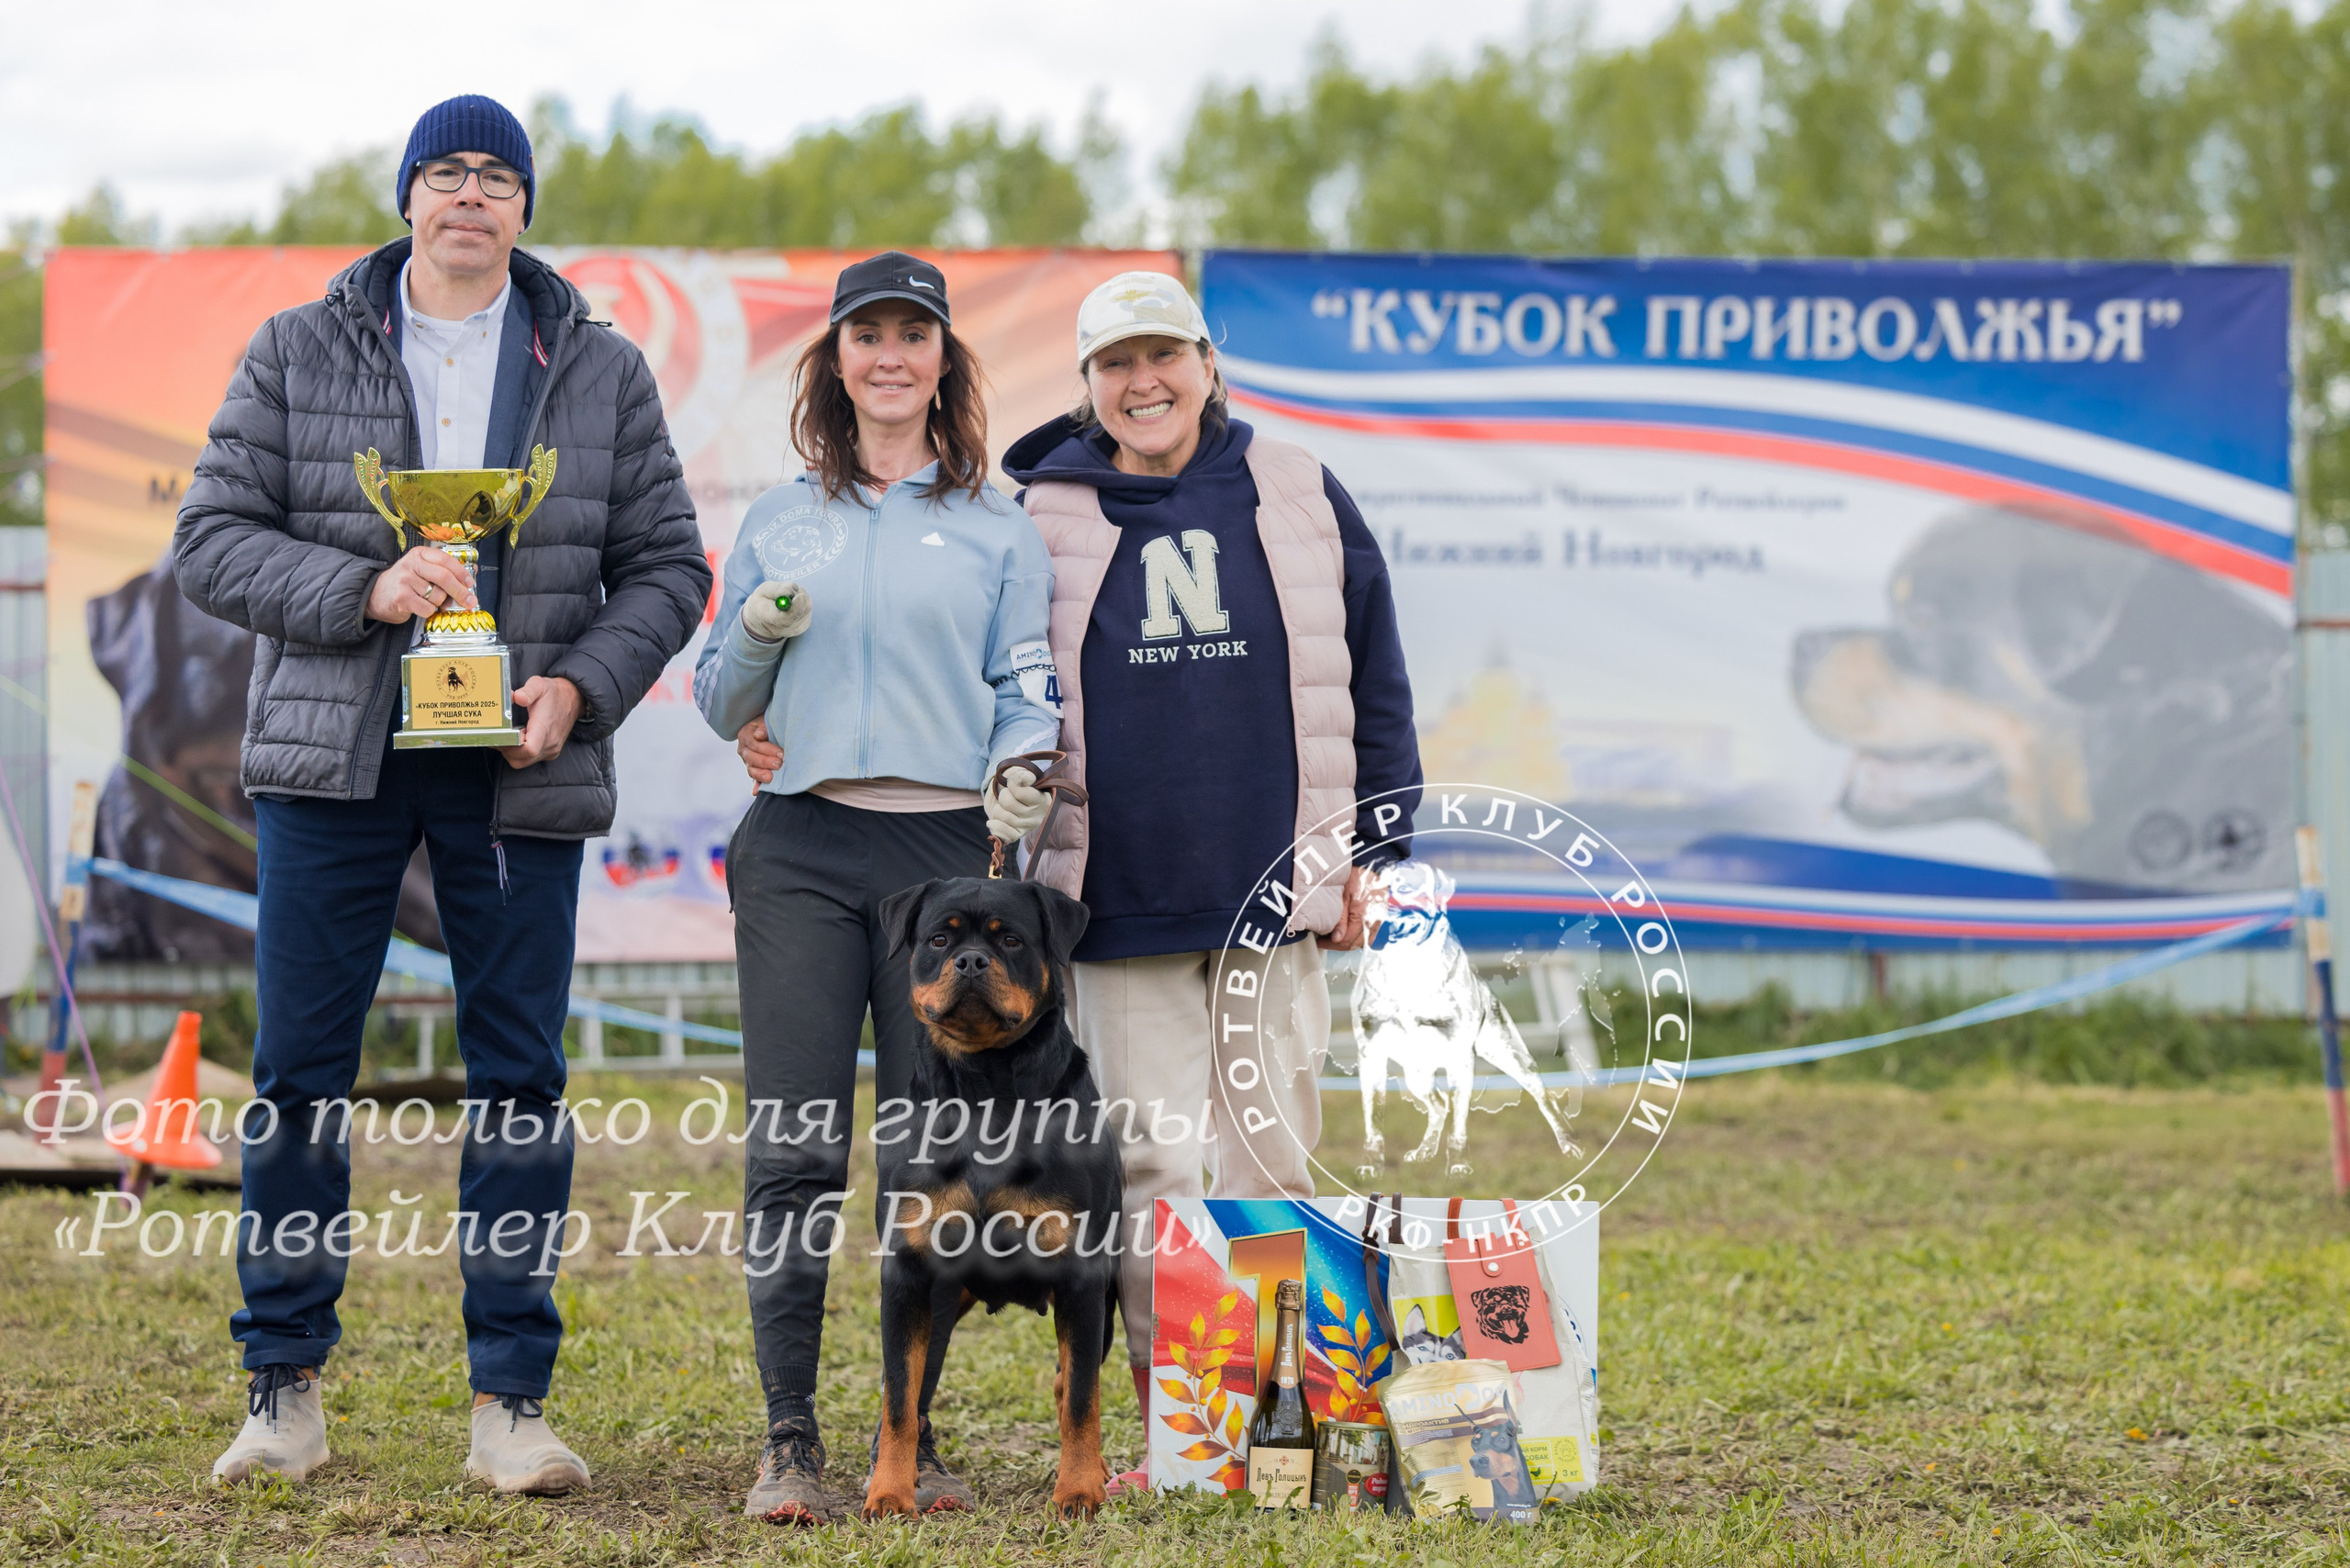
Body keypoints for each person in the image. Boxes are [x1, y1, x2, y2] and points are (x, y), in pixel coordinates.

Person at [734, 270, 1423, 1492]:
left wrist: (1371, 845)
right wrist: (770, 702)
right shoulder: (1041, 508)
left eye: (1165, 356)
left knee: (1274, 1162)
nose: (1143, 382)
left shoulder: (1301, 487)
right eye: (1116, 364)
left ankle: (1286, 1418)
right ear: (1089, 385)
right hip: (1117, 893)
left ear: (1209, 362)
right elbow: (1000, 678)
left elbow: (1369, 667)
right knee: (1151, 1169)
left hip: (1277, 889)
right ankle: (1185, 1431)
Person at [173, 95, 711, 1494]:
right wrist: (363, 586)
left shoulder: (596, 367)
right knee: (298, 1077)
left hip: (515, 768)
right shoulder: (300, 347)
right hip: (331, 762)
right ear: (408, 198)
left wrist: (578, 689)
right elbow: (211, 541)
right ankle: (282, 1387)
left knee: (522, 1084)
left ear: (524, 209)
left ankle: (510, 1405)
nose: (471, 195)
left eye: (498, 176)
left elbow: (668, 566)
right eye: (446, 173)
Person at [694, 252, 1059, 1526]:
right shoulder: (777, 520)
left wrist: (1024, 768)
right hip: (799, 850)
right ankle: (789, 1439)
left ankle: (912, 1435)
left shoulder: (999, 525)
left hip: (941, 872)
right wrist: (758, 634)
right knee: (796, 1153)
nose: (890, 356)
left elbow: (1025, 691)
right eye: (867, 335)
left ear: (944, 358)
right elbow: (717, 699)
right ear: (835, 359)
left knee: (930, 1156)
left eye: (915, 334)